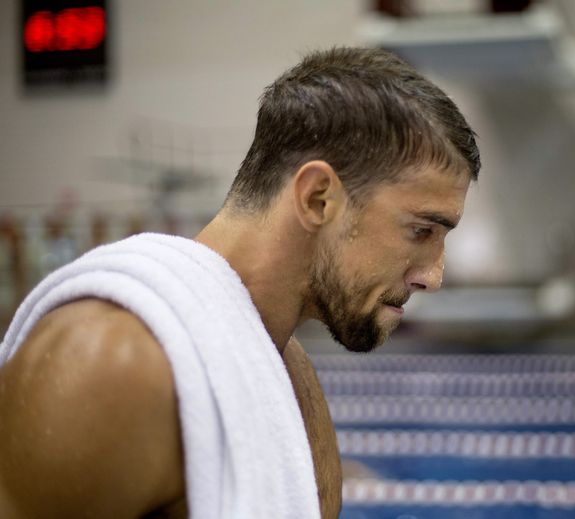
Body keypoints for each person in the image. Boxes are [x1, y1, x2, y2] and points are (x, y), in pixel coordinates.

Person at [0, 47, 480, 518]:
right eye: (421, 230)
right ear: (317, 199)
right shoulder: (111, 365)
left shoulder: (284, 369)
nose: (432, 276)